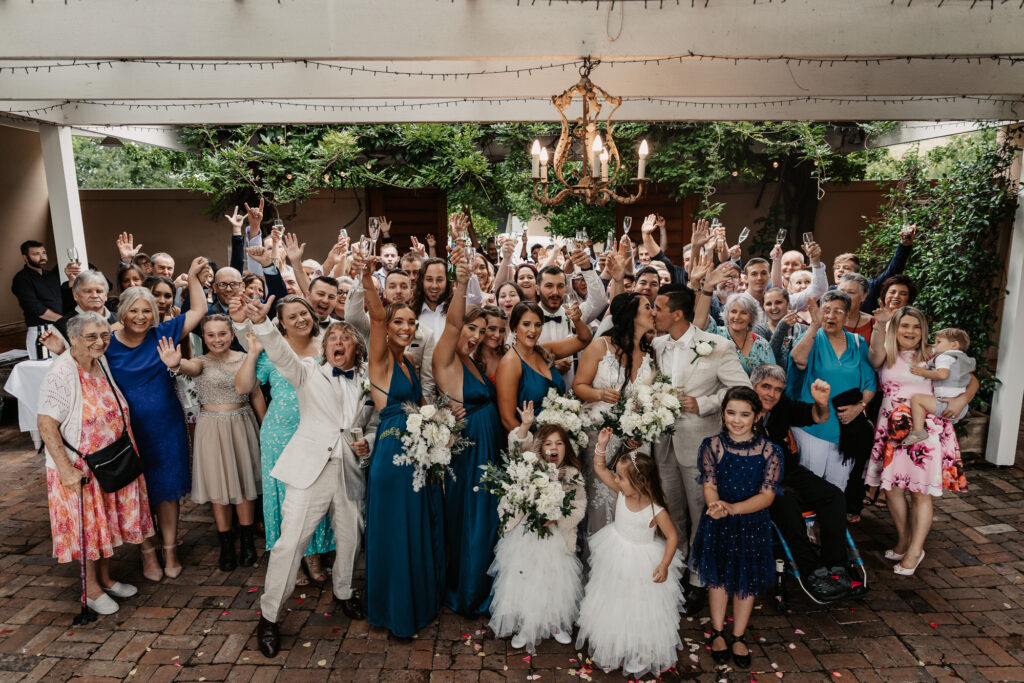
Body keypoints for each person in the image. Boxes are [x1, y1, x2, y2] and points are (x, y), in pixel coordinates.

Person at [239, 298, 376, 658]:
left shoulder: (367, 380)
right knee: (289, 544)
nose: (338, 345)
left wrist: (370, 443)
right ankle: (268, 618)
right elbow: (281, 355)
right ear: (325, 346)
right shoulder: (306, 372)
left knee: (349, 538)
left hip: (350, 472)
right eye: (333, 340)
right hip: (309, 471)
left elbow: (373, 423)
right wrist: (264, 324)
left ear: (356, 348)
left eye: (346, 341)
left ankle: (344, 592)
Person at [37, 312, 159, 615]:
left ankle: (105, 578)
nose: (100, 341)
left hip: (109, 461)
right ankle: (90, 589)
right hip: (80, 469)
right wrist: (66, 469)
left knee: (104, 525)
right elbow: (46, 423)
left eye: (104, 335)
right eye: (90, 336)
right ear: (74, 338)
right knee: (88, 529)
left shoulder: (99, 361)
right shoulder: (62, 373)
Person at [102, 258, 209, 579]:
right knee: (137, 491)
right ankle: (147, 552)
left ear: (155, 312)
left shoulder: (163, 333)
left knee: (166, 489)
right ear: (122, 313)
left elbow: (199, 311)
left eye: (146, 310)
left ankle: (170, 549)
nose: (140, 316)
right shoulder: (106, 342)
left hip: (166, 426)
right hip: (127, 430)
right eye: (133, 311)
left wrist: (191, 278)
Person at [650, 284, 750, 614]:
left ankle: (698, 580)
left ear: (677, 314)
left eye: (658, 307)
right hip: (662, 443)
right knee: (670, 511)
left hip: (699, 446)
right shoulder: (657, 344)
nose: (654, 313)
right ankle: (674, 572)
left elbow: (742, 389)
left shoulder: (716, 346)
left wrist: (704, 403)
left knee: (701, 515)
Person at [359, 255, 445, 638]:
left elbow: (422, 403)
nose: (407, 328)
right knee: (395, 529)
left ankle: (415, 600)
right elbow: (376, 317)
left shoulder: (409, 362)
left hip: (418, 451)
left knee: (414, 525)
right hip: (392, 455)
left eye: (411, 322)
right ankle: (394, 611)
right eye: (399, 322)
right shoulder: (379, 360)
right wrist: (365, 277)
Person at [864, 308, 975, 575]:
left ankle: (916, 549)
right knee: (891, 489)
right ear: (896, 328)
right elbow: (873, 356)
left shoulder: (934, 354)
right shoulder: (886, 353)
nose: (910, 332)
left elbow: (971, 379)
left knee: (919, 492)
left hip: (923, 428)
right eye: (904, 326)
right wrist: (880, 325)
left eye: (916, 326)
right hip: (891, 427)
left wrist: (962, 400)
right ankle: (903, 539)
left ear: (923, 330)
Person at [235, 295, 333, 585]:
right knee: (284, 497)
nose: (301, 319)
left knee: (314, 494)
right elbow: (243, 387)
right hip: (280, 434)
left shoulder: (327, 346)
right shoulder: (272, 352)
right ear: (281, 325)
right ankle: (293, 556)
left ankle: (313, 554)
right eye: (292, 317)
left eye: (304, 313)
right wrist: (253, 353)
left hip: (318, 432)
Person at [157, 315, 263, 571]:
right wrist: (176, 363)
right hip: (212, 428)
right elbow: (188, 368)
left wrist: (265, 427)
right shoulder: (200, 363)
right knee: (219, 487)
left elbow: (256, 394)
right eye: (211, 335)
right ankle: (226, 543)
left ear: (231, 335)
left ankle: (247, 541)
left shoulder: (245, 357)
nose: (217, 339)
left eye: (222, 334)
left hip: (242, 423)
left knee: (244, 482)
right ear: (203, 338)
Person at [576, 428, 683, 678]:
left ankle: (640, 650)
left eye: (623, 478)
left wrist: (665, 564)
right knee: (614, 601)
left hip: (642, 562)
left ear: (641, 482)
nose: (618, 481)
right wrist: (601, 446)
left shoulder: (656, 510)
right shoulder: (623, 492)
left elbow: (672, 537)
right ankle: (614, 646)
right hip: (616, 552)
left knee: (639, 606)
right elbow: (601, 469)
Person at [432, 248, 503, 617]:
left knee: (490, 517)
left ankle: (487, 583)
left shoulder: (470, 362)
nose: (474, 336)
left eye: (480, 330)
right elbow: (453, 325)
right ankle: (470, 590)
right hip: (471, 447)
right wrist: (460, 282)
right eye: (469, 329)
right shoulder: (445, 359)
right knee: (474, 517)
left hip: (488, 444)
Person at [690, 387, 782, 669]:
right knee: (718, 577)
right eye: (731, 413)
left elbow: (767, 496)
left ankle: (739, 634)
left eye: (744, 414)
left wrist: (734, 508)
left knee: (747, 579)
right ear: (722, 413)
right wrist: (716, 505)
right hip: (718, 521)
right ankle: (718, 631)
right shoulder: (712, 445)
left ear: (757, 416)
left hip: (752, 523)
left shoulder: (771, 451)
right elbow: (709, 483)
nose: (737, 420)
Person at [750, 364, 850, 602]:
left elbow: (817, 416)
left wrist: (822, 402)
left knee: (834, 495)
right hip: (757, 478)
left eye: (777, 389)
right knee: (787, 505)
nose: (771, 394)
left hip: (788, 469)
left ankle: (836, 566)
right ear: (752, 385)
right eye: (765, 387)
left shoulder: (782, 405)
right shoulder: (740, 408)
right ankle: (811, 571)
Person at [490, 419, 585, 652]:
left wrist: (557, 517)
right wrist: (524, 427)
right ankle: (525, 625)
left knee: (554, 580)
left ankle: (554, 623)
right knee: (525, 578)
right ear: (540, 448)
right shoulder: (529, 466)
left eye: (559, 443)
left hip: (556, 537)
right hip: (526, 536)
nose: (554, 448)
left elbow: (579, 505)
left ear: (566, 448)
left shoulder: (572, 474)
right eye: (549, 443)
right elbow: (515, 449)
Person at [788, 292, 876, 521]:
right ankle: (808, 532)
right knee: (812, 482)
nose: (831, 316)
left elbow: (869, 383)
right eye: (826, 310)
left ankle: (830, 532)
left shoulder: (858, 343)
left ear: (847, 315)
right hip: (813, 426)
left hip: (846, 429)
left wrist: (861, 406)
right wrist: (813, 326)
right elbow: (798, 359)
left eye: (838, 311)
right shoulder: (814, 338)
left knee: (838, 485)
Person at [573, 293, 656, 536]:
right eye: (648, 307)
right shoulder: (601, 346)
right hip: (602, 437)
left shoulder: (650, 353)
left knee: (634, 502)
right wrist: (600, 395)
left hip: (636, 443)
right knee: (603, 502)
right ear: (631, 315)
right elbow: (578, 386)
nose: (653, 312)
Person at [495, 301, 591, 432]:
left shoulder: (544, 350)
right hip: (532, 439)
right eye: (526, 324)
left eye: (538, 325)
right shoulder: (510, 363)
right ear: (514, 327)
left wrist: (577, 320)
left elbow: (584, 339)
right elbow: (507, 419)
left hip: (559, 436)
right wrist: (533, 445)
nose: (533, 330)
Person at [692, 265, 776, 375]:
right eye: (733, 312)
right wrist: (697, 284)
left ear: (752, 317)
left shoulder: (762, 345)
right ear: (727, 314)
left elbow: (772, 376)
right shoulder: (716, 333)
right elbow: (700, 314)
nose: (737, 317)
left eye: (744, 313)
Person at [904, 328, 976, 445]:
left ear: (954, 345)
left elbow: (942, 374)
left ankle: (918, 431)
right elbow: (971, 371)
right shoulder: (962, 358)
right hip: (961, 407)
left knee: (917, 399)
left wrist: (922, 372)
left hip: (946, 404)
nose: (934, 345)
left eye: (938, 342)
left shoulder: (944, 357)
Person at [12, 239, 64, 358]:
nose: (42, 257)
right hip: (40, 332)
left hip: (60, 329)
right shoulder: (21, 279)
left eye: (44, 253)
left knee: (64, 369)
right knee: (43, 371)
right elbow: (36, 309)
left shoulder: (51, 276)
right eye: (36, 254)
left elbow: (63, 300)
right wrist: (64, 320)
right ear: (25, 257)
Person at [753, 287, 806, 375]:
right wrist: (781, 328)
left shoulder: (804, 329)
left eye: (778, 302)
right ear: (763, 307)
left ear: (788, 304)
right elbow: (766, 361)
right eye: (768, 304)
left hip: (799, 385)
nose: (773, 307)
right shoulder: (759, 330)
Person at [474, 305, 507, 383]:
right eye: (492, 329)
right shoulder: (471, 359)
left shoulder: (507, 355)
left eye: (501, 330)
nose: (497, 335)